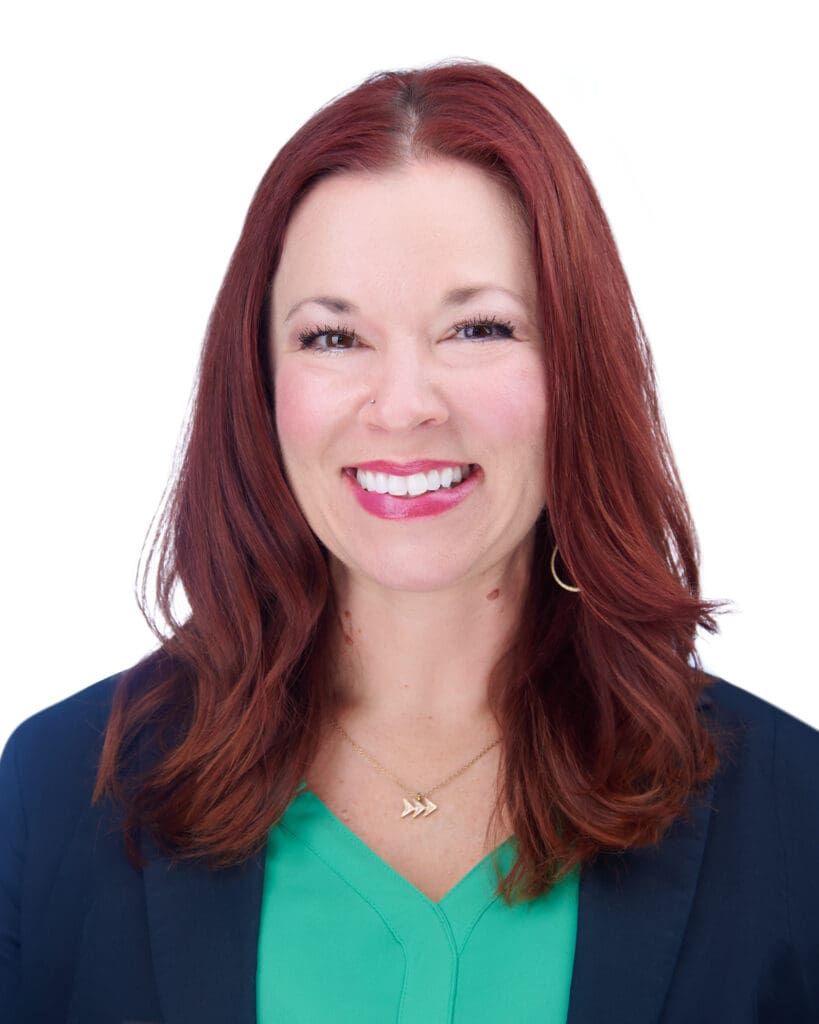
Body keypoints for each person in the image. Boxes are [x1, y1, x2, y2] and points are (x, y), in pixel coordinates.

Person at [1, 59, 817, 1024]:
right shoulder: (62, 788)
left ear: (577, 370)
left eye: (477, 328)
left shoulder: (790, 816)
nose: (402, 408)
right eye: (333, 339)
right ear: (259, 386)